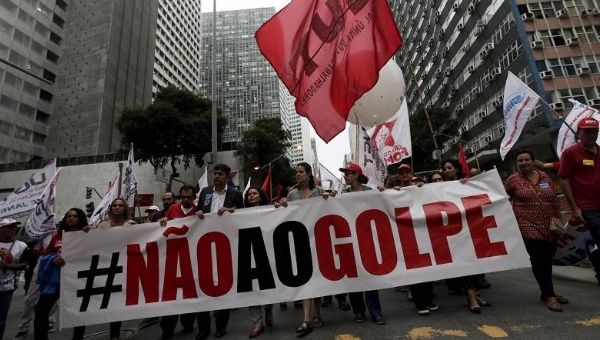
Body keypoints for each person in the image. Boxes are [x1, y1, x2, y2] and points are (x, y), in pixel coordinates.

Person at [275, 162, 332, 337]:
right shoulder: (291, 194)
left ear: (308, 174)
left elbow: (331, 205)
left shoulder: (319, 192)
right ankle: (307, 318)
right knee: (305, 278)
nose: (298, 175)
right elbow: (287, 213)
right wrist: (282, 203)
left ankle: (317, 314)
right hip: (299, 241)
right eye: (296, 172)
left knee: (316, 277)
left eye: (301, 172)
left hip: (318, 239)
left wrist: (333, 197)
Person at [505, 150, 566, 311]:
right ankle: (550, 296)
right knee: (539, 257)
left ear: (533, 161)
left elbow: (553, 199)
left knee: (548, 255)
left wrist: (558, 219)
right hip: (527, 224)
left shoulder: (545, 176)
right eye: (520, 160)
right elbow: (502, 199)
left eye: (527, 159)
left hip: (550, 224)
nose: (524, 163)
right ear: (517, 163)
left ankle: (545, 291)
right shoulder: (512, 181)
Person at [196, 164, 244, 340]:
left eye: (220, 174)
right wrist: (199, 212)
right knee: (203, 287)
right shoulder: (205, 193)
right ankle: (203, 328)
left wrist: (232, 211)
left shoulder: (236, 195)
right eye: (214, 173)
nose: (216, 176)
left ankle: (221, 327)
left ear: (227, 176)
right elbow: (199, 212)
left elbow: (243, 216)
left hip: (226, 246)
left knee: (223, 287)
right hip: (205, 246)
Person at [338, 163, 386, 325]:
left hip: (367, 240)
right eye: (345, 174)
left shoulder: (370, 191)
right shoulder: (342, 194)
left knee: (370, 276)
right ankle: (358, 311)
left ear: (357, 175)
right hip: (349, 241)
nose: (345, 176)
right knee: (354, 277)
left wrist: (386, 194)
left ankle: (375, 312)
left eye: (348, 173)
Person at [442, 159, 491, 313]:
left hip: (471, 229)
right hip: (454, 232)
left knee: (474, 263)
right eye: (445, 169)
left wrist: (468, 184)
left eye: (449, 168)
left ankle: (475, 294)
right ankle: (471, 298)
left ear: (456, 169)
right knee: (464, 264)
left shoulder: (467, 184)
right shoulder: (439, 188)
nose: (447, 171)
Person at [33, 209, 87, 340]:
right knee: (41, 310)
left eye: (75, 216)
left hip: (76, 280)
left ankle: (78, 338)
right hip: (56, 281)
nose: (71, 218)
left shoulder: (87, 234)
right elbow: (46, 255)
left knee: (79, 312)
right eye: (69, 216)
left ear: (80, 219)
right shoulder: (57, 236)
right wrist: (53, 259)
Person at [559, 117, 600, 284]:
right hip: (587, 207)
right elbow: (564, 179)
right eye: (587, 131)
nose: (591, 135)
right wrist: (575, 207)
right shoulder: (570, 153)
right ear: (579, 133)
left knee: (595, 243)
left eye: (594, 131)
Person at [159, 185, 201, 340]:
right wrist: (163, 220)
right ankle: (167, 329)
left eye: (189, 197)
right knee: (171, 294)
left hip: (191, 259)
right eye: (183, 197)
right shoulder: (172, 210)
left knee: (188, 292)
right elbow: (163, 229)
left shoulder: (198, 211)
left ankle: (188, 322)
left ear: (193, 197)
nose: (186, 200)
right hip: (172, 257)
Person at [96, 198, 135, 339]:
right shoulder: (102, 226)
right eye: (114, 205)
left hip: (124, 267)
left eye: (120, 205)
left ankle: (115, 334)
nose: (117, 208)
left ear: (125, 208)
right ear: (111, 208)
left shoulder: (130, 225)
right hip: (105, 267)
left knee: (117, 302)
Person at [14, 235, 58, 340]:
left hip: (55, 272)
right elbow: (35, 251)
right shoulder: (41, 235)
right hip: (41, 270)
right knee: (29, 299)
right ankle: (23, 327)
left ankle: (50, 322)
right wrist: (43, 250)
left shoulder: (60, 234)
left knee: (54, 301)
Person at [244, 186, 273, 338]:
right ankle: (257, 322)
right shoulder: (239, 214)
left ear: (260, 197)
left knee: (267, 285)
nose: (251, 196)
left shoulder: (270, 210)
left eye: (254, 193)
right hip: (248, 254)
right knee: (251, 288)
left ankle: (268, 308)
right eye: (249, 194)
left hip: (266, 252)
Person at [0, 219, 28, 340]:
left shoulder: (21, 246)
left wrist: (7, 266)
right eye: (10, 227)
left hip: (7, 287)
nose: (14, 229)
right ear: (1, 229)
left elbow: (26, 265)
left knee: (1, 319)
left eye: (15, 227)